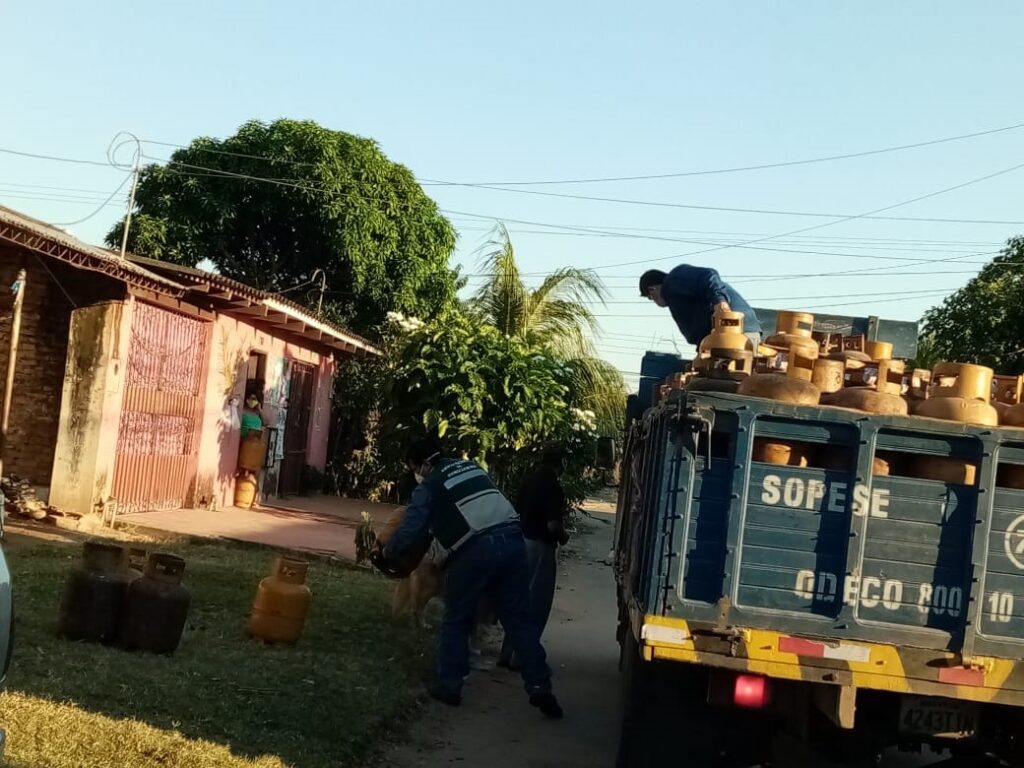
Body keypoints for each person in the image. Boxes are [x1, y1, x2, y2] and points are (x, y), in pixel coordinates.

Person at [375, 438, 564, 719]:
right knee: (519, 619)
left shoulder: (430, 485)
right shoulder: (470, 468)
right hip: (514, 541)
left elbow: (412, 525)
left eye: (413, 468)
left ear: (423, 465)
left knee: (457, 618)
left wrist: (387, 551)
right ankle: (539, 684)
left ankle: (450, 686)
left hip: (475, 548)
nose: (415, 474)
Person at [498, 444, 569, 670]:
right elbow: (552, 524)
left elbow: (516, 510)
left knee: (517, 599)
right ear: (560, 465)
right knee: (536, 604)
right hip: (540, 548)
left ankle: (506, 651)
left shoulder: (528, 480)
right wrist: (564, 536)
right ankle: (523, 656)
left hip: (520, 542)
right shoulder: (553, 487)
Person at [639, 265, 763, 348]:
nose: (654, 302)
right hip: (731, 336)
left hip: (740, 332)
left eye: (650, 298)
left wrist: (720, 301)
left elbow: (709, 275)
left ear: (652, 289)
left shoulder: (673, 280)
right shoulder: (677, 298)